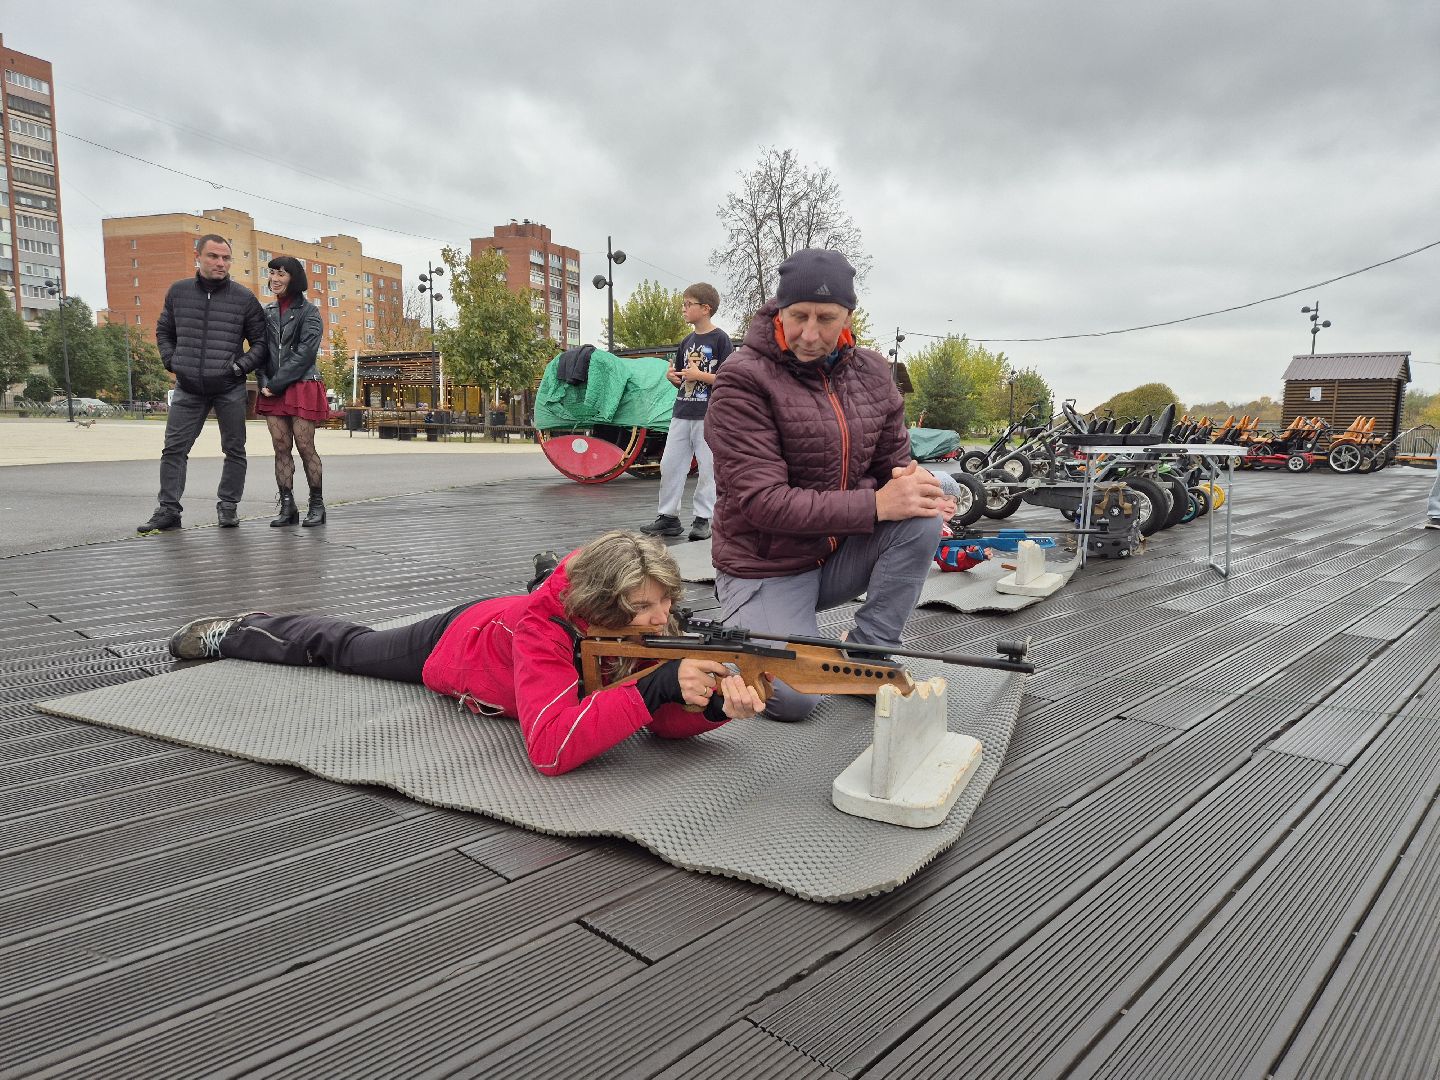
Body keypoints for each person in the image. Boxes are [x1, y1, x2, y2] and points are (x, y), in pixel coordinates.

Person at [165, 531, 765, 776]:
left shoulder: (637, 622)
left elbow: (656, 719)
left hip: (520, 629)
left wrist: (708, 709)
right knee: (348, 647)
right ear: (605, 604)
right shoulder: (545, 628)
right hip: (458, 643)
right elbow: (551, 749)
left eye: (665, 603)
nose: (662, 620)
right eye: (644, 607)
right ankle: (246, 630)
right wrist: (657, 685)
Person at [704, 248, 945, 721]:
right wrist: (877, 504)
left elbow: (896, 465)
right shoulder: (741, 379)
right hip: (763, 565)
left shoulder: (875, 372)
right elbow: (762, 503)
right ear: (778, 308)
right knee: (795, 699)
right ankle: (745, 620)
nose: (809, 334)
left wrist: (921, 489)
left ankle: (868, 656)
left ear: (848, 317)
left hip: (832, 554)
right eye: (798, 316)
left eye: (826, 319)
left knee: (924, 513)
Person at [139, 235, 268, 532]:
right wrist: (172, 361)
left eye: (225, 258)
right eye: (213, 256)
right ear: (198, 257)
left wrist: (239, 368)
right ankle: (168, 510)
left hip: (229, 387)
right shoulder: (179, 292)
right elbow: (164, 331)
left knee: (235, 450)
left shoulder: (244, 298)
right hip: (188, 387)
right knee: (173, 449)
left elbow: (261, 344)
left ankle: (228, 507)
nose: (220, 263)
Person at [640, 283, 733, 541]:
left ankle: (704, 518)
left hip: (708, 414)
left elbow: (728, 378)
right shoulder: (687, 341)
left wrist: (699, 374)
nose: (683, 309)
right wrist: (674, 377)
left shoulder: (720, 339)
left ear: (705, 309)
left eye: (688, 304)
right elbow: (684, 378)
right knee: (670, 464)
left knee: (707, 467)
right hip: (682, 410)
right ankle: (668, 516)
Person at [258, 256, 328, 527]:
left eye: (282, 274)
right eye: (273, 273)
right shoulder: (268, 313)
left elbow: (304, 354)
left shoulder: (310, 312)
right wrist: (264, 379)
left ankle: (317, 506)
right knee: (280, 447)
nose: (275, 278)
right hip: (272, 387)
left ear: (294, 278)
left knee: (304, 446)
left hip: (301, 385)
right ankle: (288, 507)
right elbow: (261, 349)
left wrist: (274, 384)